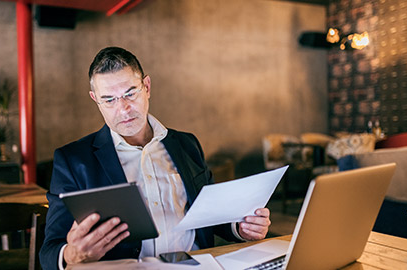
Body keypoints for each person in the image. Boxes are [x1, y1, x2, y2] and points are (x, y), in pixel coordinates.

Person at [39, 47, 271, 269]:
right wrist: (72, 254)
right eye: (109, 99)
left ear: (147, 87)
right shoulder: (73, 160)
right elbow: (49, 253)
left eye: (130, 93)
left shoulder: (186, 144)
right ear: (95, 99)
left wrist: (240, 227)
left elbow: (209, 214)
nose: (123, 108)